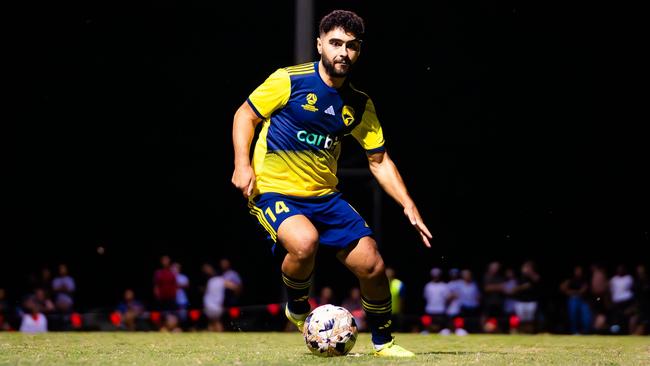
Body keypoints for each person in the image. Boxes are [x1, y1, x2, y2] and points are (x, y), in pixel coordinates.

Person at [231, 9, 432, 357]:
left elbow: (379, 160)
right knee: (304, 242)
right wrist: (241, 163)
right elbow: (245, 114)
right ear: (320, 44)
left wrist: (408, 203)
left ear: (359, 51)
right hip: (273, 190)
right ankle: (296, 304)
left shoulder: (358, 104)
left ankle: (383, 343)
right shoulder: (289, 80)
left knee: (372, 265)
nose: (343, 52)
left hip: (324, 196)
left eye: (351, 46)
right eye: (335, 43)